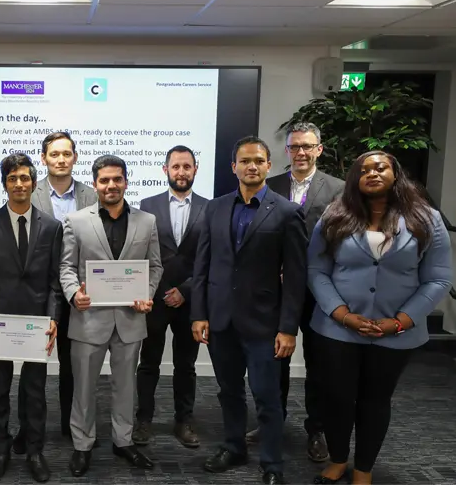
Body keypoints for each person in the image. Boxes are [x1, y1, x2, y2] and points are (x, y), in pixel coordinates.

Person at [307, 151, 452, 485]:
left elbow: (438, 279)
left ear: (395, 174)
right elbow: (316, 270)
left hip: (396, 332)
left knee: (375, 400)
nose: (372, 173)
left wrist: (399, 321)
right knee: (337, 398)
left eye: (380, 167)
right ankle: (339, 459)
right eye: (364, 170)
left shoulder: (426, 219)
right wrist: (343, 315)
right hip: (336, 329)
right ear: (355, 179)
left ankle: (363, 469)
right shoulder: (334, 215)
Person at [191, 136, 308, 485]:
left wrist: (288, 328)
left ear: (269, 166)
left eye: (258, 160)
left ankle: (272, 464)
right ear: (234, 167)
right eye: (245, 161)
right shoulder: (215, 208)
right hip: (221, 319)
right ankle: (233, 446)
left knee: (267, 397)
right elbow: (203, 266)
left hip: (264, 324)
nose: (251, 166)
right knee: (228, 391)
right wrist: (199, 314)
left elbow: (298, 276)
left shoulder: (287, 212)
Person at [60, 155, 163, 477]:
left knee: (125, 387)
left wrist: (147, 293)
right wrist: (74, 293)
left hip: (130, 320)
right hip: (88, 319)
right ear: (95, 184)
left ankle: (123, 440)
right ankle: (82, 444)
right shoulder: (76, 221)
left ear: (126, 182)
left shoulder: (147, 221)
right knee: (84, 388)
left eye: (117, 179)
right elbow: (66, 267)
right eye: (104, 180)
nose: (111, 185)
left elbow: (155, 266)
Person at [246, 122, 344, 462]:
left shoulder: (337, 189)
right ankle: (272, 420)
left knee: (319, 363)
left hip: (318, 291)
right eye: (294, 147)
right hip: (276, 290)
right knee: (275, 360)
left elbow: (342, 240)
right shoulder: (268, 186)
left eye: (307, 146)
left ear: (319, 149)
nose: (300, 152)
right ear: (286, 151)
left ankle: (316, 428)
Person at [0, 153, 63, 483]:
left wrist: (53, 317)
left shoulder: (52, 227)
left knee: (35, 391)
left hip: (36, 324)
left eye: (25, 178)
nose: (19, 184)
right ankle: (1, 449)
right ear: (4, 184)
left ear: (33, 182)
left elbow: (54, 279)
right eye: (13, 179)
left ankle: (35, 450)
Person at [133, 145, 207, 448]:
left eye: (186, 166)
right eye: (175, 166)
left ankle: (184, 420)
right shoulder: (146, 205)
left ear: (195, 170)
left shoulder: (209, 207)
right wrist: (156, 290)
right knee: (148, 363)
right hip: (155, 298)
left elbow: (209, 258)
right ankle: (144, 420)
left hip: (190, 299)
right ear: (165, 170)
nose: (181, 172)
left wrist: (185, 290)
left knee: (186, 365)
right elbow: (141, 253)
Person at [30, 131, 97, 437]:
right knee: (34, 362)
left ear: (75, 157)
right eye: (54, 154)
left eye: (66, 154)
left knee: (73, 363)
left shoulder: (91, 196)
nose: (60, 159)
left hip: (78, 292)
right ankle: (30, 427)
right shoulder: (30, 193)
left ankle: (72, 425)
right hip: (38, 290)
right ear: (43, 158)